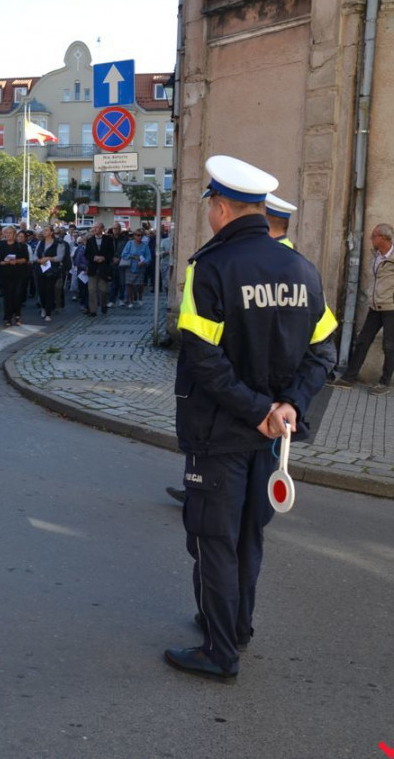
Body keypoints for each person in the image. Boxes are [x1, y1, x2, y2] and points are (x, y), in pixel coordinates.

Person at [165, 155, 337, 680]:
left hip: (222, 432)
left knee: (213, 539)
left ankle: (220, 652)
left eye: (210, 208)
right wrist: (288, 407)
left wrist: (258, 410)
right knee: (247, 536)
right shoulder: (301, 268)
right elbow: (324, 351)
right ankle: (236, 626)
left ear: (220, 208)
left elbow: (202, 358)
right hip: (271, 438)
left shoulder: (210, 269)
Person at [333, 223, 394, 395]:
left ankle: (385, 382)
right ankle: (349, 378)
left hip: (391, 308)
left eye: (373, 236)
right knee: (362, 341)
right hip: (375, 307)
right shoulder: (377, 256)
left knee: (389, 346)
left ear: (382, 238)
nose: (370, 239)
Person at [0, 229, 31, 326]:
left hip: (18, 274)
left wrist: (16, 261)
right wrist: (7, 262)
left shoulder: (21, 246)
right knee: (7, 297)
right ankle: (8, 317)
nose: (8, 235)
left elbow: (25, 259)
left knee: (17, 295)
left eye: (10, 233)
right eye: (6, 233)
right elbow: (0, 261)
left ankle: (17, 315)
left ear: (14, 234)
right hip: (6, 274)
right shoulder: (2, 246)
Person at [37, 226, 70, 319]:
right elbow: (35, 255)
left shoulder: (58, 243)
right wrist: (39, 260)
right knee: (41, 291)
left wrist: (48, 258)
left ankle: (48, 312)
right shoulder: (41, 242)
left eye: (46, 230)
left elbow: (60, 257)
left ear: (51, 232)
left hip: (52, 270)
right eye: (44, 230)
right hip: (41, 269)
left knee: (49, 290)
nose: (44, 231)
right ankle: (43, 307)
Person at [84, 222, 114, 316]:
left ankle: (104, 304)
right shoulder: (90, 240)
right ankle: (93, 310)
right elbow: (87, 253)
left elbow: (111, 252)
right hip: (93, 267)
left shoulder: (108, 239)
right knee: (92, 290)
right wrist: (94, 258)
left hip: (104, 268)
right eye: (94, 227)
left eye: (97, 227)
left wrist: (104, 258)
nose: (95, 229)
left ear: (102, 229)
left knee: (103, 290)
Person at [120, 230, 151, 308]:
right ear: (134, 236)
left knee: (140, 284)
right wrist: (131, 256)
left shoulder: (144, 245)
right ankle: (131, 301)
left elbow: (149, 256)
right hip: (130, 266)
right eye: (137, 235)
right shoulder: (129, 243)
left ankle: (140, 298)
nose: (139, 237)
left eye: (141, 235)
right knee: (130, 284)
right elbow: (124, 254)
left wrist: (144, 262)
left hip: (140, 267)